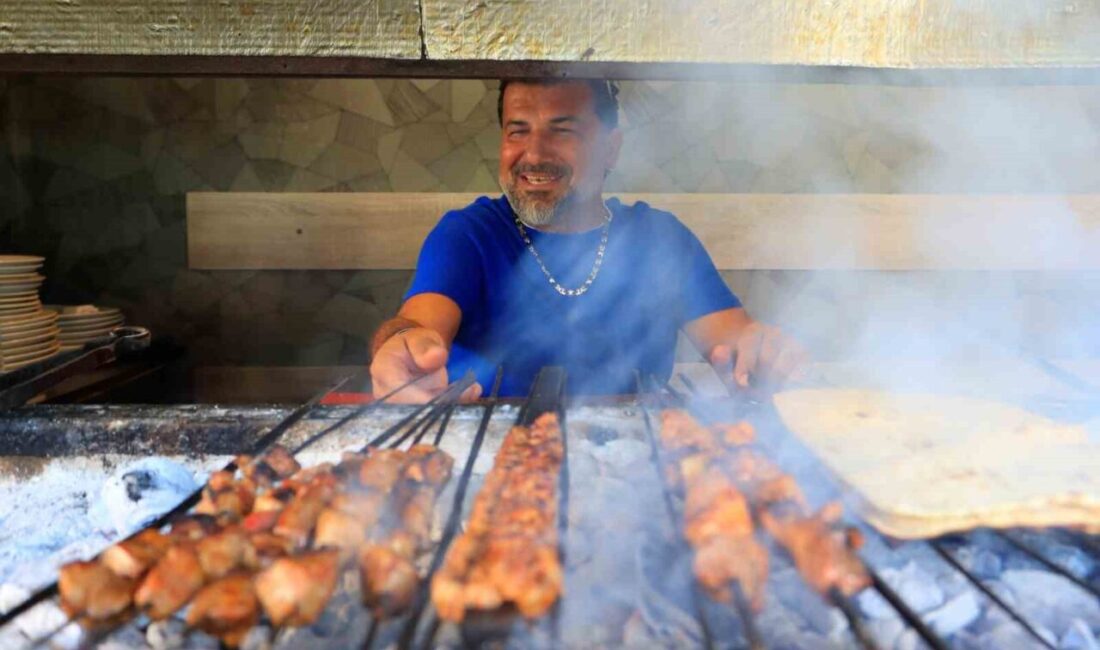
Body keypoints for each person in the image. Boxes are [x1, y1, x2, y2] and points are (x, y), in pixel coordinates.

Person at [369, 78, 805, 402]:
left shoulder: (659, 239)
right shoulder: (469, 234)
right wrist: (399, 348)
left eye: (562, 129)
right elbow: (417, 326)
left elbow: (735, 341)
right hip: (483, 463)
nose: (534, 153)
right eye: (517, 130)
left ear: (611, 149)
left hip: (634, 469)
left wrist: (760, 352)